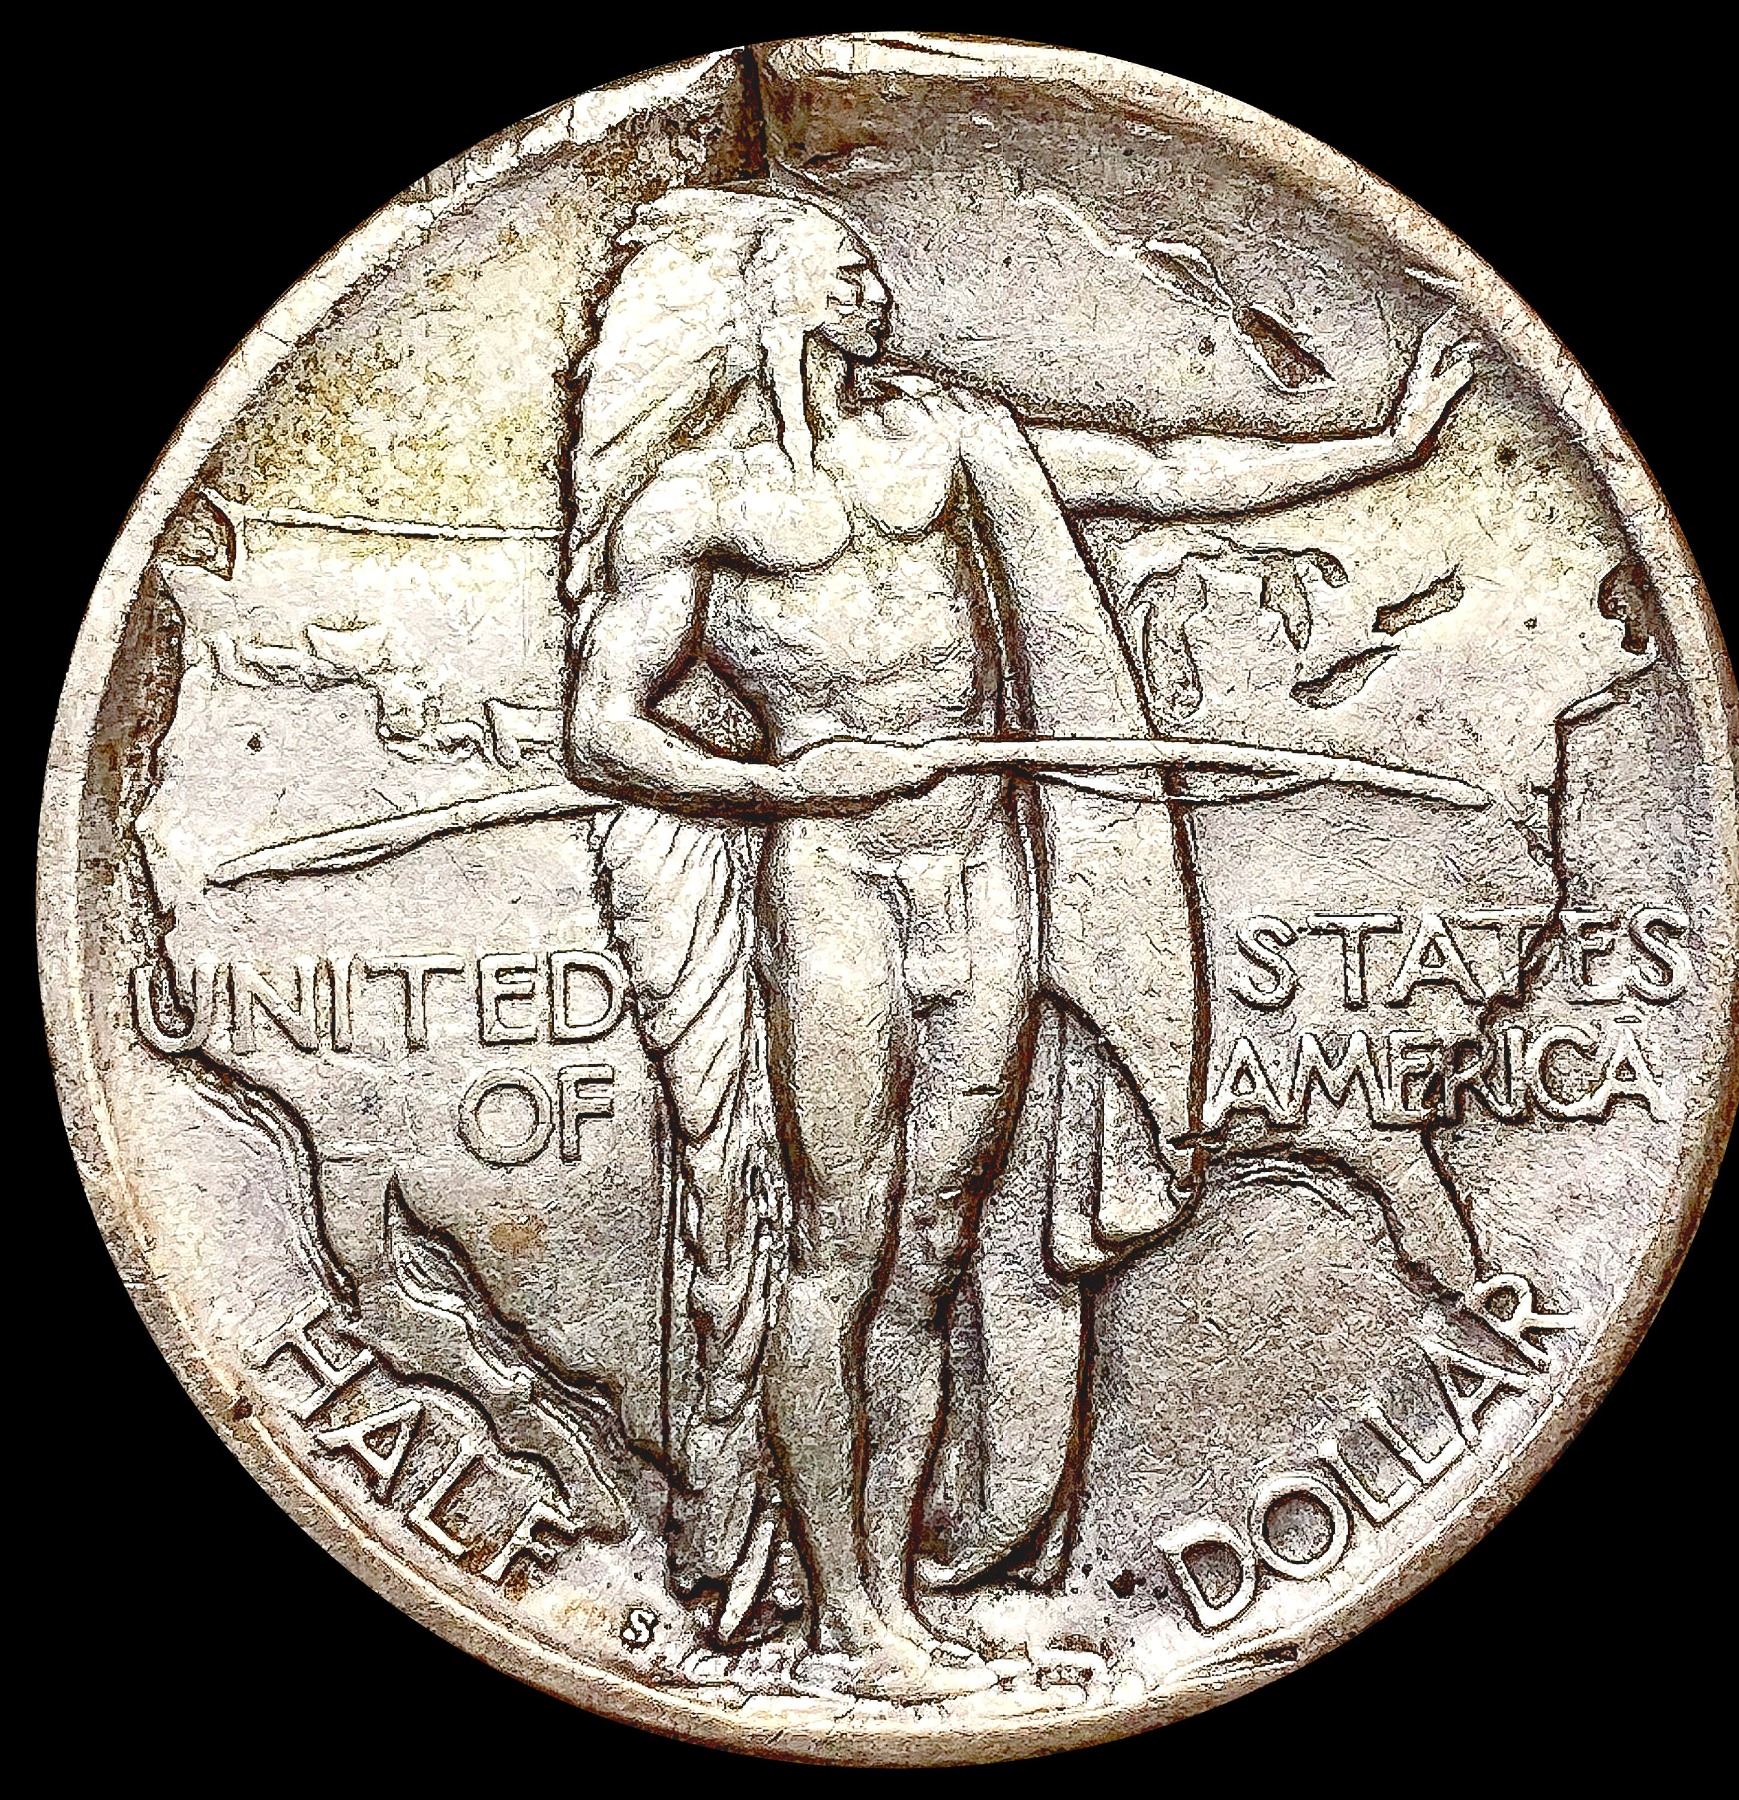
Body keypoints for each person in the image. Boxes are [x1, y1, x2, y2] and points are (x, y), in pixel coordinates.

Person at [563, 185, 1475, 1699]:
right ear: (771, 297)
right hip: (832, 880)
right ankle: (844, 1620)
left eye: (873, 270)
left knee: (932, 1243)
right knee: (840, 1245)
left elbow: (1153, 474)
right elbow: (604, 726)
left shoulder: (954, 441)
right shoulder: (695, 504)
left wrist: (1377, 448)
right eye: (845, 270)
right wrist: (785, 784)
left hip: (982, 870)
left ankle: (897, 1607)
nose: (875, 293)